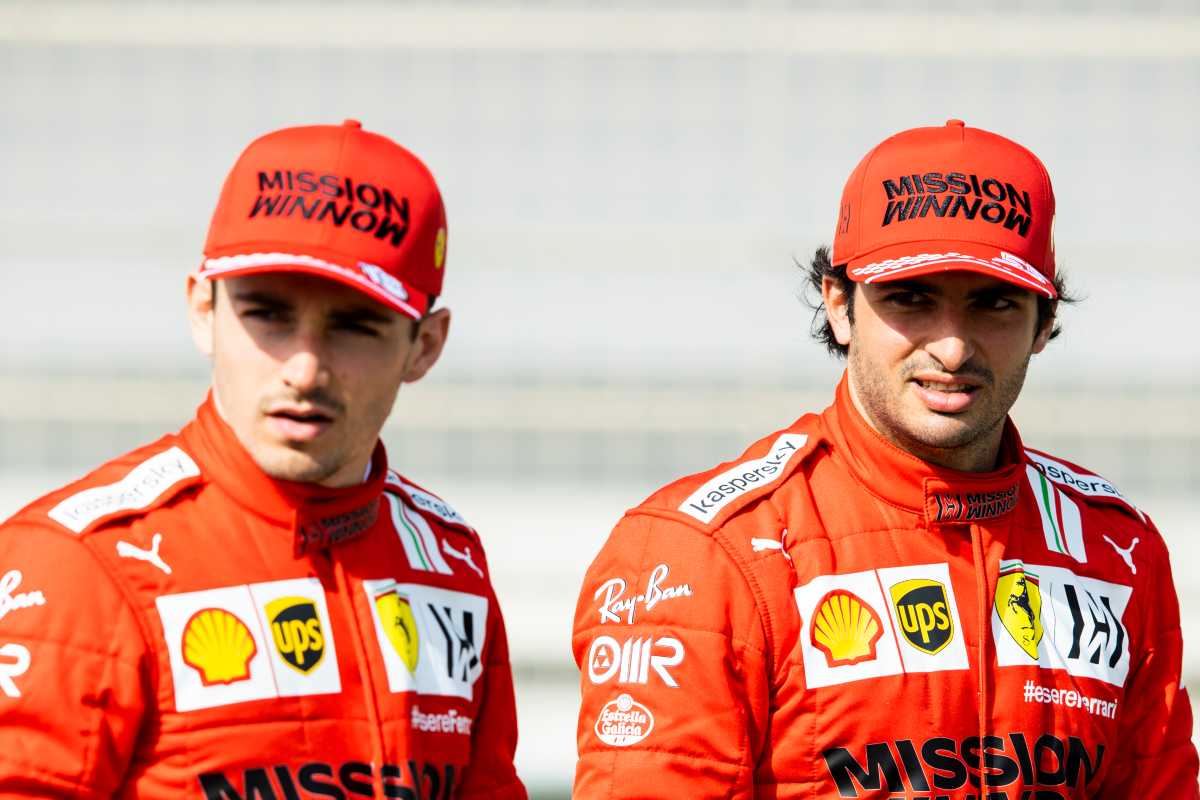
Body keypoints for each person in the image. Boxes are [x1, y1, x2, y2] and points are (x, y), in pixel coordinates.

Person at [571, 119, 1198, 797]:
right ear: (839, 306)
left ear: (1044, 324)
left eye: (994, 304)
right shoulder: (706, 551)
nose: (953, 348)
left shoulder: (1117, 549)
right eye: (911, 299)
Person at [0, 120, 526, 799]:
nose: (305, 369)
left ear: (424, 345)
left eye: (353, 326)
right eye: (268, 316)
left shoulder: (449, 564)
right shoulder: (75, 565)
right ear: (202, 310)